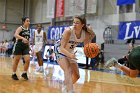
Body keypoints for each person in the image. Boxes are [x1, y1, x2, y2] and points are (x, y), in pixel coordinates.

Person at [54, 16, 95, 93]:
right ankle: (70, 90)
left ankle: (66, 87)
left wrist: (91, 51)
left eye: (77, 23)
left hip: (70, 51)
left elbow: (86, 47)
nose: (74, 24)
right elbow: (62, 48)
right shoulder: (68, 31)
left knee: (77, 76)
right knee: (68, 69)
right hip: (60, 50)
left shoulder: (85, 34)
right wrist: (70, 55)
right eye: (74, 22)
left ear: (82, 25)